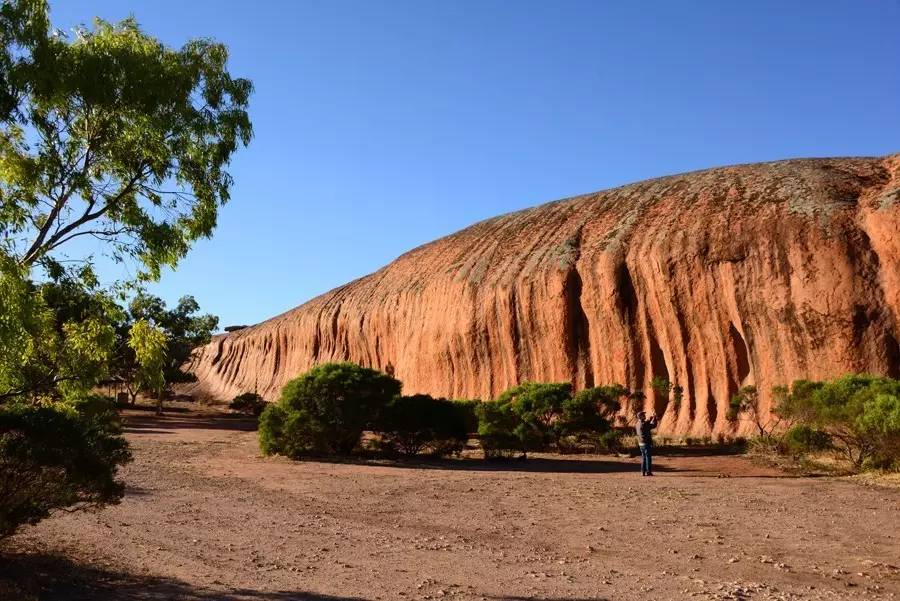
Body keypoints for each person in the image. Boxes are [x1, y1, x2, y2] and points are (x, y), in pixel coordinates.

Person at [635, 411, 658, 476]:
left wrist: (652, 418)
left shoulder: (637, 424)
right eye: (643, 415)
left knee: (644, 457)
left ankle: (643, 471)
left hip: (640, 443)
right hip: (646, 443)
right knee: (648, 458)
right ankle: (648, 472)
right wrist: (654, 418)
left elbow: (648, 424)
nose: (645, 416)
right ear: (641, 416)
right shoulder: (644, 424)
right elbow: (653, 425)